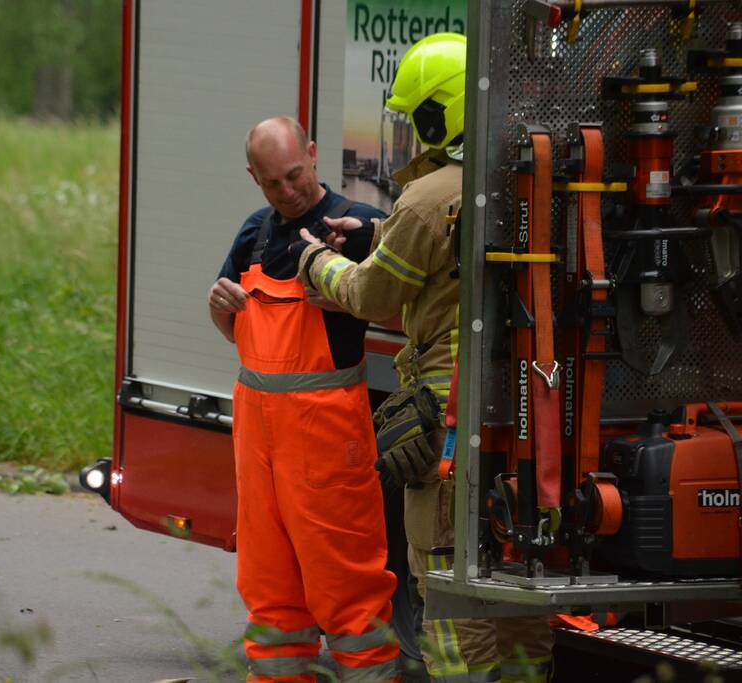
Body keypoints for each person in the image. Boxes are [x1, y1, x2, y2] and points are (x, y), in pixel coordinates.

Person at [297, 34, 555, 683]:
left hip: (447, 430)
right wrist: (374, 234)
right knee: (517, 579)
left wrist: (317, 262)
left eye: (417, 114)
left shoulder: (425, 197)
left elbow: (370, 292)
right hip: (530, 422)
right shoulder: (528, 175)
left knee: (445, 579)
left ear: (438, 115)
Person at [208, 116, 400, 683]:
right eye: (273, 184)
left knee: (348, 587)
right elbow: (237, 332)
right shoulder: (255, 234)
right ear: (255, 180)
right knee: (271, 591)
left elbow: (388, 277)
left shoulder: (355, 223)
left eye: (295, 175)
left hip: (326, 440)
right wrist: (220, 306)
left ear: (313, 155)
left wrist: (350, 254)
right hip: (259, 441)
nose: (288, 191)